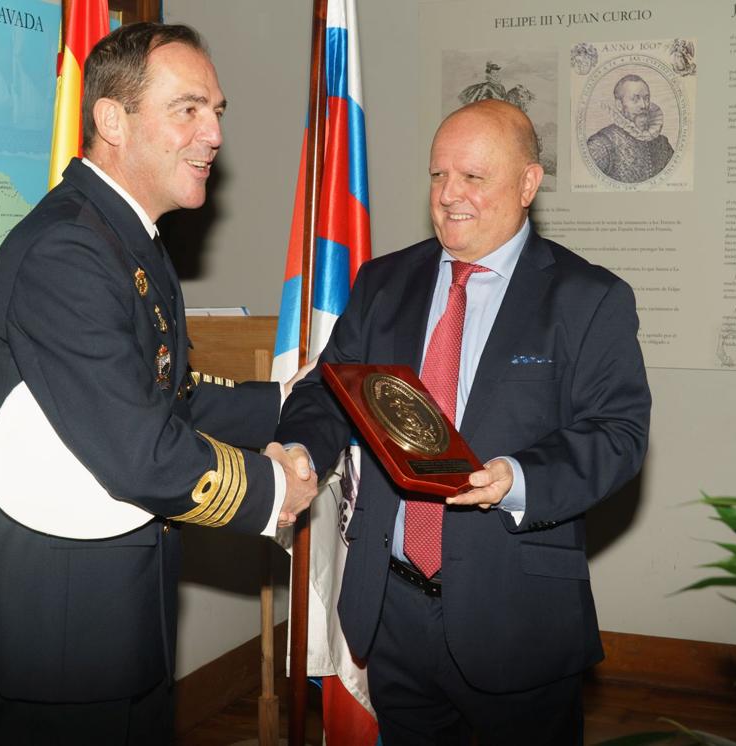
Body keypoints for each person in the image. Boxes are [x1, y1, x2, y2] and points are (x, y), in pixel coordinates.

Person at [0, 22, 316, 745]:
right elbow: (140, 449)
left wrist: (285, 400)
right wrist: (273, 491)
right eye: (188, 109)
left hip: (116, 627)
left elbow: (164, 394)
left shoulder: (124, 239)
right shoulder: (68, 252)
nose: (213, 134)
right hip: (61, 648)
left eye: (217, 111)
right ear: (112, 120)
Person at [277, 99, 651, 744]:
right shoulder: (383, 282)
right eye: (437, 175)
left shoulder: (590, 298)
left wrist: (518, 476)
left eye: (473, 177)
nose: (449, 195)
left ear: (528, 183)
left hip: (517, 621)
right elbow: (330, 390)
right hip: (390, 612)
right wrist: (304, 449)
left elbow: (618, 434)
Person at [586, 74, 674, 183]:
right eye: (635, 99)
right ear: (619, 105)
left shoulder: (662, 143)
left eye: (646, 98)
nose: (644, 105)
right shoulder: (601, 144)